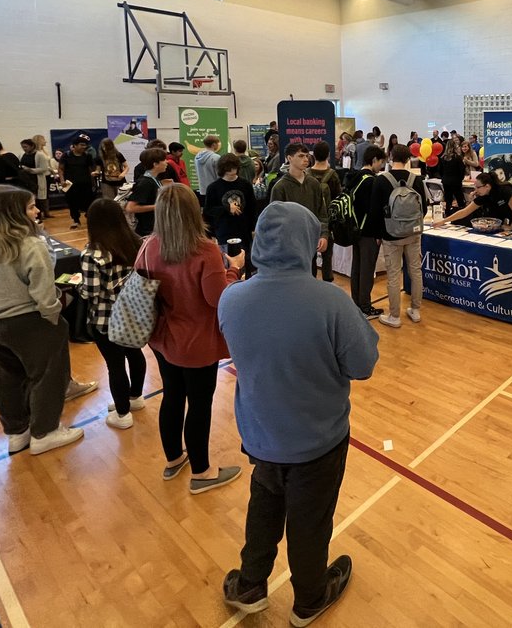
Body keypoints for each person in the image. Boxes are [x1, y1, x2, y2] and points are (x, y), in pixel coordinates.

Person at [218, 201, 379, 623]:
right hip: (317, 439)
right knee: (310, 522)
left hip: (261, 436)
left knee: (265, 504)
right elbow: (363, 365)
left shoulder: (232, 299)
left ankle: (250, 583)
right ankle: (309, 598)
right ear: (307, 243)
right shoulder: (331, 301)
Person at [144, 183, 245, 494]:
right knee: (199, 404)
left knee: (172, 397)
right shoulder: (205, 250)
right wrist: (234, 270)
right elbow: (219, 299)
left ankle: (174, 458)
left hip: (163, 338)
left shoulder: (149, 246)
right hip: (196, 341)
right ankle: (202, 471)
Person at [0, 186, 82, 455]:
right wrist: (52, 316)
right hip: (29, 322)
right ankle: (45, 431)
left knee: (6, 380)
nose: (37, 210)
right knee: (48, 376)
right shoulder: (31, 244)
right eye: (31, 207)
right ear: (14, 213)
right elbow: (43, 288)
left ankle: (17, 432)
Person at [79, 199, 146, 430]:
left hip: (106, 318)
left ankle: (122, 413)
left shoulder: (92, 253)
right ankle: (135, 396)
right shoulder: (136, 242)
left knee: (115, 365)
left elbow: (91, 291)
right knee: (134, 354)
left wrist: (79, 287)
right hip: (134, 312)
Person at [365, 144, 429, 328]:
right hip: (413, 233)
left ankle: (394, 316)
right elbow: (423, 208)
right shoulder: (416, 179)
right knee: (415, 271)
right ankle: (415, 310)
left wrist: (378, 234)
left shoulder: (381, 180)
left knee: (393, 275)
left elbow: (375, 211)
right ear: (408, 159)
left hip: (390, 234)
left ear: (390, 157)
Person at [270, 143, 330, 277]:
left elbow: (322, 213)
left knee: (310, 277)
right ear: (289, 158)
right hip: (289, 247)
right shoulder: (280, 187)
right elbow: (273, 221)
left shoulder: (314, 184)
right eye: (301, 156)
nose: (306, 159)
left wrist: (324, 235)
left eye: (307, 156)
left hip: (310, 241)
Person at [348, 145, 386, 319]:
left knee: (357, 267)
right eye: (381, 162)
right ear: (374, 160)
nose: (381, 166)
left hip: (354, 229)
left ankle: (356, 303)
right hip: (368, 232)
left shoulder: (354, 176)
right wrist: (378, 234)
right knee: (367, 270)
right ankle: (365, 307)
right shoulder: (371, 181)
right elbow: (374, 211)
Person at [436, 171, 512, 233]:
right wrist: (443, 221)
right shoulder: (483, 195)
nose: (475, 190)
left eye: (478, 187)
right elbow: (465, 212)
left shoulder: (505, 190)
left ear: (487, 186)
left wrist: (511, 227)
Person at [205, 153, 257, 272]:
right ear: (223, 169)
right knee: (227, 264)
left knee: (246, 263)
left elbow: (252, 207)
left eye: (234, 168)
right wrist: (227, 208)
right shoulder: (213, 188)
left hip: (243, 230)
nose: (232, 171)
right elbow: (208, 211)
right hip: (224, 231)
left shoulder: (245, 185)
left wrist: (253, 227)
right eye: (229, 169)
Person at [307, 141, 344, 283]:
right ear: (328, 155)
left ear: (313, 155)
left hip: (309, 219)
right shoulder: (332, 175)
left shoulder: (306, 174)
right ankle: (328, 283)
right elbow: (338, 198)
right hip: (327, 221)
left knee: (310, 255)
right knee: (327, 256)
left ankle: (310, 283)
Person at [59, 134, 100, 229]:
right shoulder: (66, 155)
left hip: (86, 183)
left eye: (85, 145)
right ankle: (76, 220)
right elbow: (60, 169)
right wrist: (62, 181)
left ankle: (90, 218)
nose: (84, 147)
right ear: (75, 145)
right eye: (81, 145)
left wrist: (94, 180)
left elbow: (91, 169)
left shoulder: (88, 156)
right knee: (72, 203)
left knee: (89, 202)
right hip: (70, 185)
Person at [126, 148, 167, 237]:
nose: (166, 162)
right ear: (155, 164)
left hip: (155, 226)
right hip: (146, 230)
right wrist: (157, 206)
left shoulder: (154, 178)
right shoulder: (145, 182)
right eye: (164, 160)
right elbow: (130, 208)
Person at [20, 138, 54, 220]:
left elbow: (44, 168)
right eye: (23, 147)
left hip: (36, 179)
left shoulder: (40, 155)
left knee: (38, 198)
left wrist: (30, 170)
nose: (24, 149)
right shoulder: (22, 155)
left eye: (26, 147)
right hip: (26, 180)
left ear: (32, 146)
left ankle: (39, 215)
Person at [439, 138, 468, 217]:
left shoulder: (442, 158)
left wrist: (444, 177)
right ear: (455, 147)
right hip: (456, 181)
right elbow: (462, 169)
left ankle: (448, 214)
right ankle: (463, 216)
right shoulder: (457, 157)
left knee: (448, 200)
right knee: (460, 199)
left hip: (446, 181)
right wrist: (460, 179)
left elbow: (440, 170)